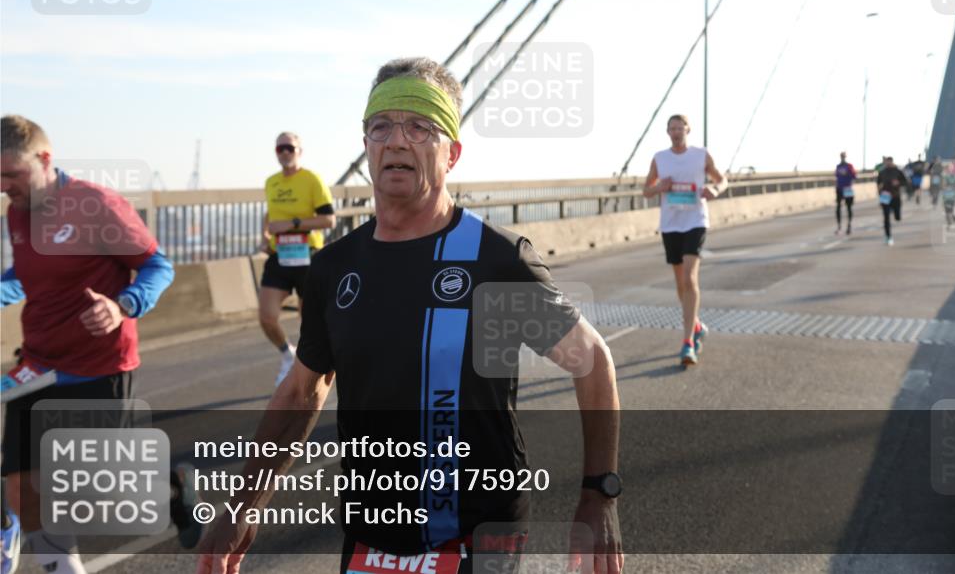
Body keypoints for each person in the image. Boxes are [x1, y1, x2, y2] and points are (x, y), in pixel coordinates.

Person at [197, 58, 623, 574]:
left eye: (420, 126)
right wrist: (242, 503)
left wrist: (599, 494)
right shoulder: (334, 267)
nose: (397, 140)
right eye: (382, 126)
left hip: (476, 537)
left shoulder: (495, 259)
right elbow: (302, 392)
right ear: (366, 145)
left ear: (452, 154)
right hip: (369, 537)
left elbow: (592, 360)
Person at [0, 115, 197, 574]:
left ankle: (173, 487)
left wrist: (123, 304)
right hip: (38, 363)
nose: (4, 187)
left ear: (44, 159)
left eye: (11, 174)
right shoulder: (17, 211)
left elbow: (158, 265)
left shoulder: (95, 205)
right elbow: (26, 275)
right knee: (22, 488)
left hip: (99, 363)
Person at [642, 114, 728, 366]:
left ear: (688, 130)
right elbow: (646, 191)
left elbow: (722, 180)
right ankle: (697, 325)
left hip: (695, 221)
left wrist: (715, 189)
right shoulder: (660, 158)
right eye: (672, 129)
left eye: (680, 128)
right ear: (667, 132)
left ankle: (688, 342)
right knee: (680, 283)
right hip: (670, 224)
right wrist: (660, 187)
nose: (676, 132)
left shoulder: (701, 155)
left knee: (690, 278)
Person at [258, 132, 335, 386]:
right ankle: (286, 355)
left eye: (289, 148)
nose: (284, 152)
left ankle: (305, 370)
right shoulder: (271, 182)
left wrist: (293, 224)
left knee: (308, 322)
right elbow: (270, 213)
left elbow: (329, 220)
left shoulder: (312, 179)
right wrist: (264, 235)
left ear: (299, 151)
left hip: (307, 255)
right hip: (279, 255)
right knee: (266, 317)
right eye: (280, 148)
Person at [876, 156, 907, 246]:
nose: (888, 163)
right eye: (887, 162)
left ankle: (894, 212)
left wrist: (898, 183)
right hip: (885, 196)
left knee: (897, 217)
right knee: (886, 218)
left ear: (892, 162)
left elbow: (905, 182)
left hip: (895, 196)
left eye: (889, 162)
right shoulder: (882, 172)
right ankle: (888, 236)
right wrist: (880, 193)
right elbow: (878, 183)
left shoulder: (898, 171)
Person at [833, 151, 857, 235]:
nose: (842, 158)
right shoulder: (838, 166)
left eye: (844, 156)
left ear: (846, 157)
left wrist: (847, 175)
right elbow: (836, 176)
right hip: (839, 188)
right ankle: (839, 226)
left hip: (848, 189)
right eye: (841, 156)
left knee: (849, 207)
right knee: (838, 207)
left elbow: (854, 176)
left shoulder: (849, 166)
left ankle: (849, 226)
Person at [942, 160, 955, 228]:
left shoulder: (953, 176)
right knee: (948, 208)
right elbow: (942, 185)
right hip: (947, 194)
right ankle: (950, 220)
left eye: (950, 168)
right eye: (948, 168)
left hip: (951, 194)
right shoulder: (944, 176)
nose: (949, 169)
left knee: (951, 207)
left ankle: (952, 216)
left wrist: (953, 187)